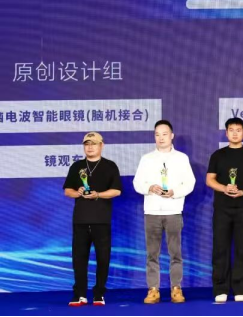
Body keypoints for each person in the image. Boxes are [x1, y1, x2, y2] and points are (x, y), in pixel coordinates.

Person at [133, 120, 196, 304]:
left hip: (173, 210)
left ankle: (176, 288)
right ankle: (153, 289)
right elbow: (137, 183)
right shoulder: (146, 159)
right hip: (152, 211)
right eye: (157, 134)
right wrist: (149, 187)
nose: (161, 138)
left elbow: (190, 183)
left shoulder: (181, 158)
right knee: (152, 254)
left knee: (175, 253)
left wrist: (174, 192)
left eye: (164, 134)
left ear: (172, 136)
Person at [206, 118, 243, 304]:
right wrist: (224, 188)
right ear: (226, 133)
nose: (235, 133)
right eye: (231, 130)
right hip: (222, 209)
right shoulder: (218, 155)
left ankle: (241, 288)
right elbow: (209, 180)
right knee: (220, 248)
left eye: (239, 130)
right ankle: (220, 288)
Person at [63, 132, 122, 307]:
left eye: (93, 144)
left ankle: (99, 293)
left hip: (101, 219)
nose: (90, 147)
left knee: (103, 258)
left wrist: (98, 194)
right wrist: (77, 192)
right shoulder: (77, 166)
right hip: (80, 220)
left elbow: (117, 191)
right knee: (79, 259)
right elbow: (67, 190)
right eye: (87, 144)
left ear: (101, 145)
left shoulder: (110, 166)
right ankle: (80, 294)